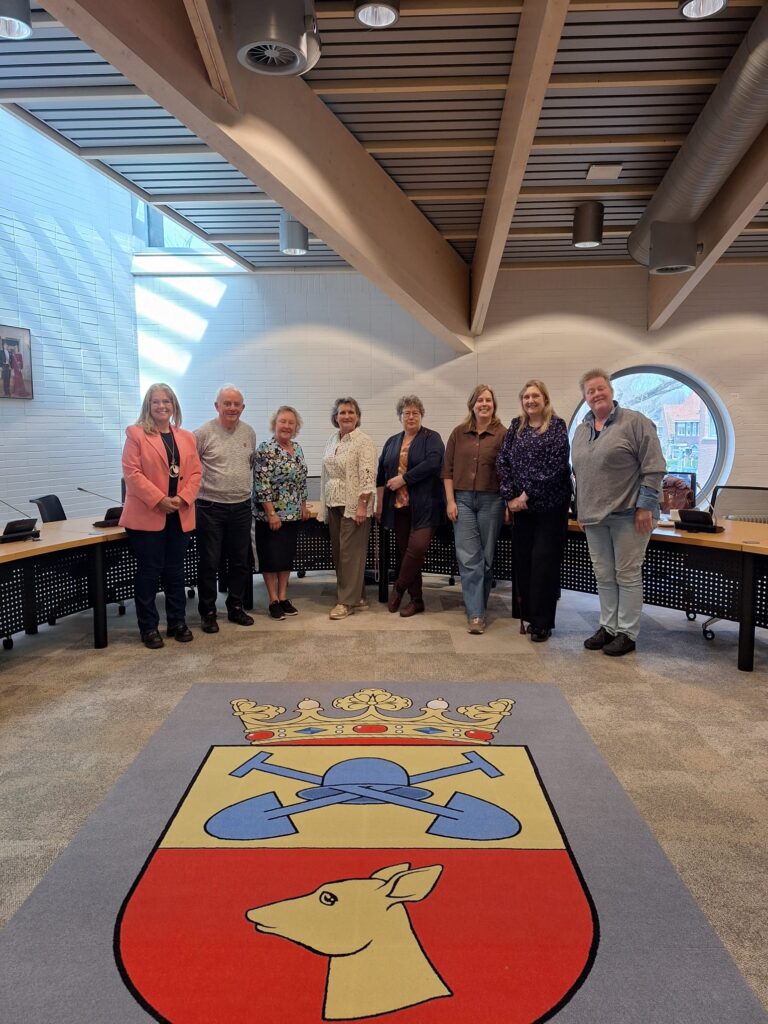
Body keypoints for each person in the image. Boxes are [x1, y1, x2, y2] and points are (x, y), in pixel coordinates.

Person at [571, 368, 666, 657]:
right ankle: (608, 627)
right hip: (594, 517)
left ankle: (627, 632)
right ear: (585, 397)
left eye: (600, 388)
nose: (596, 394)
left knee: (627, 574)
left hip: (629, 515)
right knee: (603, 575)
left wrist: (645, 506)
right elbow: (579, 474)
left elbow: (654, 467)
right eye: (590, 391)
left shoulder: (635, 423)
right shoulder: (582, 430)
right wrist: (582, 511)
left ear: (611, 390)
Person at [120, 383, 202, 649]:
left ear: (174, 405)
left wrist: (181, 499)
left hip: (179, 514)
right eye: (156, 402)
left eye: (166, 401)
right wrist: (160, 500)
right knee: (149, 573)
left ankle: (177, 622)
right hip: (148, 515)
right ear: (148, 406)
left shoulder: (187, 437)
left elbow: (196, 473)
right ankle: (148, 627)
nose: (162, 406)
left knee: (175, 572)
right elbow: (132, 474)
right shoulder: (135, 434)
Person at [496, 379, 571, 643]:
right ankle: (528, 615)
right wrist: (511, 497)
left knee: (543, 563)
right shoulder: (516, 426)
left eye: (535, 396)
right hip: (521, 508)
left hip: (550, 507)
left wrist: (526, 495)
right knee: (524, 561)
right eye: (526, 396)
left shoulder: (557, 426)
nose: (530, 401)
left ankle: (542, 623)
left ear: (545, 399)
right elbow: (502, 461)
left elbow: (555, 467)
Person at [442, 384, 506, 634]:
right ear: (472, 404)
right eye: (480, 400)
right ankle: (476, 614)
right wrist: (450, 501)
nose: (484, 404)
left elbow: (508, 471)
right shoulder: (458, 433)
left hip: (493, 501)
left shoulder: (503, 434)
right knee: (469, 558)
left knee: (486, 559)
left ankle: (478, 604)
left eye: (488, 400)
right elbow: (447, 470)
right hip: (463, 501)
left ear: (493, 405)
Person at [194, 385, 257, 633]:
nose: (232, 408)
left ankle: (236, 607)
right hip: (210, 506)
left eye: (236, 404)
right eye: (227, 403)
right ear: (217, 406)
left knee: (240, 561)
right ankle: (208, 612)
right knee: (209, 561)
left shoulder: (249, 432)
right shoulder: (202, 433)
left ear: (242, 407)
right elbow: (190, 468)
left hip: (241, 506)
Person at [376, 395, 445, 617]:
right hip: (398, 509)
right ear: (400, 416)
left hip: (426, 506)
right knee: (407, 553)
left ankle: (398, 587)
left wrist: (403, 479)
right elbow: (381, 474)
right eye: (406, 413)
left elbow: (433, 463)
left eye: (415, 412)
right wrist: (378, 504)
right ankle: (417, 600)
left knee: (416, 549)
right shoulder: (392, 441)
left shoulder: (431, 437)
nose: (411, 416)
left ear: (421, 415)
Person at [319, 397, 376, 620]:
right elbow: (326, 472)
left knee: (350, 554)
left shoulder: (363, 441)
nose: (347, 416)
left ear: (358, 416)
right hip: (334, 501)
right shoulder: (332, 440)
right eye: (342, 412)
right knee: (341, 552)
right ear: (336, 417)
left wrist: (362, 505)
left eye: (351, 412)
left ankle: (346, 602)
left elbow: (368, 475)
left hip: (354, 504)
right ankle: (358, 597)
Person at [253, 406, 310, 621]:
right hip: (271, 516)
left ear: (296, 427)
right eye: (282, 421)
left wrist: (303, 505)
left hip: (293, 514)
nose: (286, 426)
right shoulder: (265, 449)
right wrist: (271, 513)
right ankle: (273, 599)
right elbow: (262, 484)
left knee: (285, 557)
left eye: (291, 423)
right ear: (274, 424)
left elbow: (302, 481)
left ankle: (284, 596)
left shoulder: (297, 448)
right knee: (270, 558)